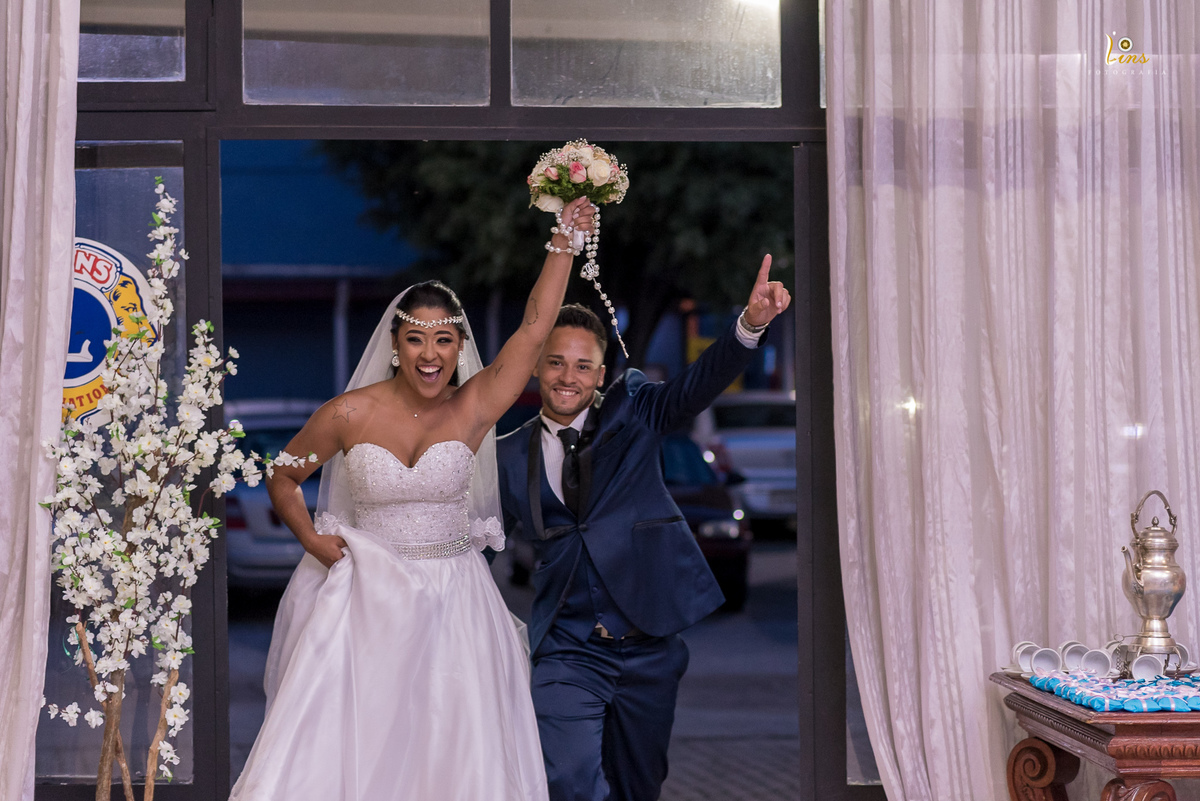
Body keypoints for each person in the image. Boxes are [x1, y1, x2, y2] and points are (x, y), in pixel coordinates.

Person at [229, 197, 597, 801]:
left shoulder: (474, 407)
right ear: (394, 345)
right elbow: (283, 477)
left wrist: (563, 240)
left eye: (445, 340)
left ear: (459, 348)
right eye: (417, 339)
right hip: (366, 603)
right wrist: (314, 542)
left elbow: (534, 330)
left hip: (455, 605)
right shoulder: (348, 413)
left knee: (453, 750)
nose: (431, 354)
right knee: (360, 745)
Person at [496, 257, 790, 801]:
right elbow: (471, 538)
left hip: (647, 647)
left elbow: (691, 389)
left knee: (640, 786)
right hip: (567, 646)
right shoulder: (506, 455)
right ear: (538, 366)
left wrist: (748, 325)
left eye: (583, 366)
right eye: (556, 363)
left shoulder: (634, 411)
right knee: (566, 777)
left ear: (601, 375)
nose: (568, 376)